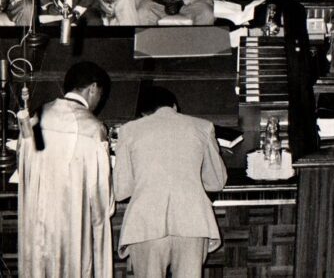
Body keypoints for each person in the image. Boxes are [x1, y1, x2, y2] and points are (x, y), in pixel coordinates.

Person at [114, 86, 227, 278]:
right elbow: (216, 181)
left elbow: (121, 190)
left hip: (146, 225)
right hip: (192, 223)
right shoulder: (203, 126)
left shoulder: (128, 131)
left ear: (144, 113)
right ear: (174, 106)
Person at [18, 61, 114, 278]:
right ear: (93, 88)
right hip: (72, 223)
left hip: (36, 217)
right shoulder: (92, 128)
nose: (99, 101)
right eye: (100, 94)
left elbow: (22, 163)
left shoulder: (36, 116)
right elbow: (101, 195)